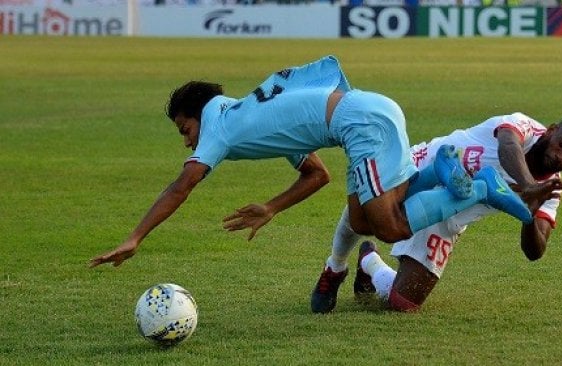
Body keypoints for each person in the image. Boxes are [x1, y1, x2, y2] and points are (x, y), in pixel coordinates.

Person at [89, 55, 534, 268]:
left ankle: (481, 187)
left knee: (391, 227)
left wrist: (135, 237)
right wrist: (272, 207)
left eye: (185, 131)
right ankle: (440, 171)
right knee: (361, 220)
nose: (189, 144)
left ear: (197, 115)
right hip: (368, 114)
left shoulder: (217, 125)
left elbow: (181, 186)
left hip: (361, 124)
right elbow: (316, 174)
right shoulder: (252, 115)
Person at [311, 112, 562, 313]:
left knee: (403, 303)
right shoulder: (521, 125)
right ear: (551, 130)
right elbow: (507, 147)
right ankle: (335, 266)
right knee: (365, 215)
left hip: (449, 217)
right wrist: (526, 186)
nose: (561, 157)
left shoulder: (551, 189)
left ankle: (370, 263)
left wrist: (528, 214)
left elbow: (535, 251)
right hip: (421, 168)